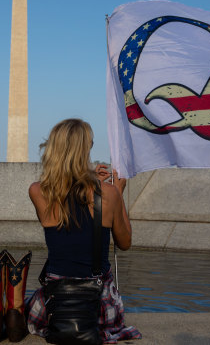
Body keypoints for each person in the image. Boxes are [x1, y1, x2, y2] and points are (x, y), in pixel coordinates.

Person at [25, 118, 142, 343]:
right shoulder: (108, 193)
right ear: (84, 150)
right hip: (97, 302)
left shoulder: (38, 191)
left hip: (56, 302)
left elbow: (70, 198)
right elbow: (125, 242)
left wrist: (91, 179)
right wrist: (117, 191)